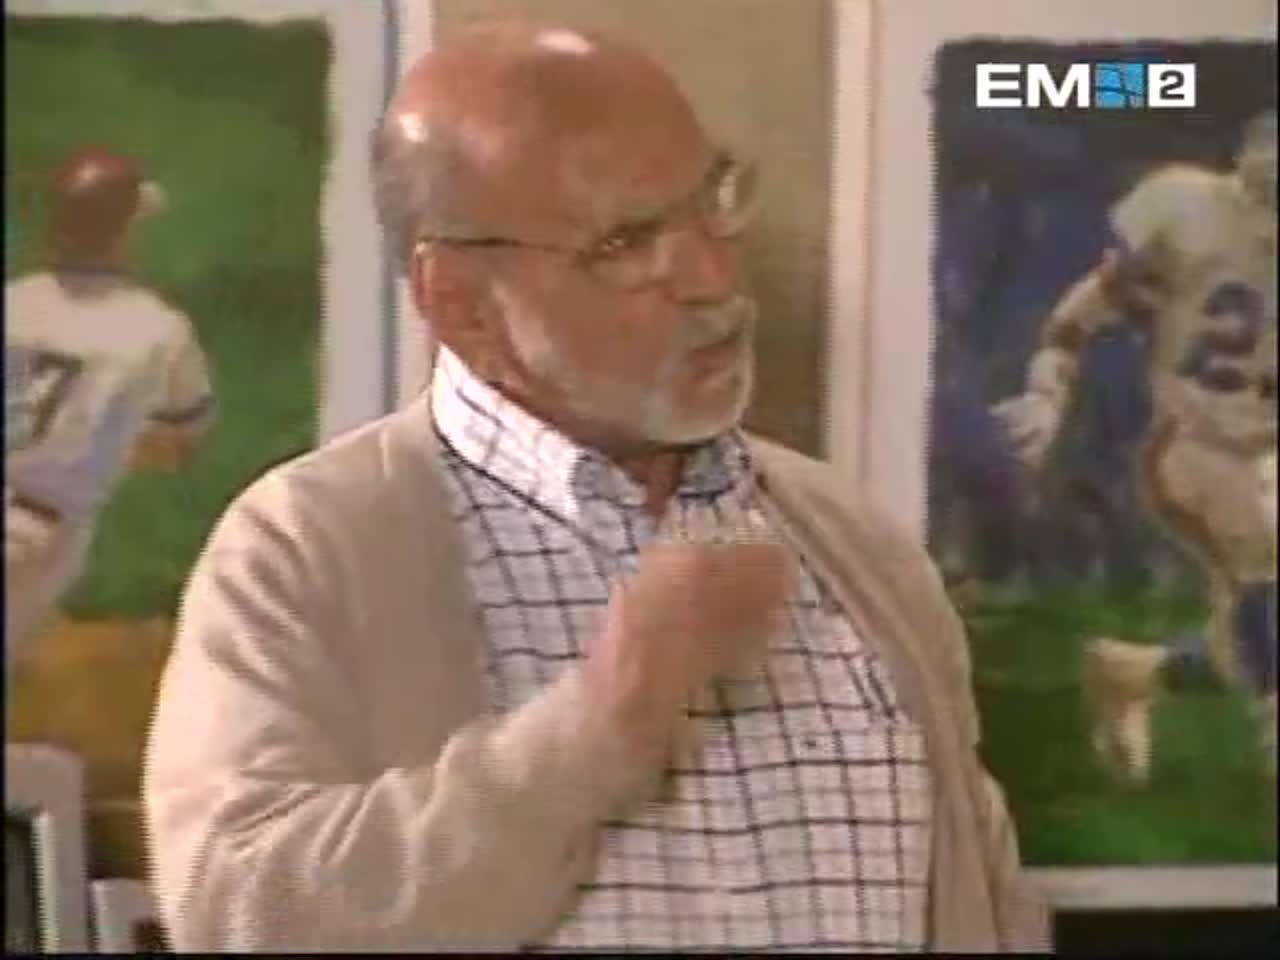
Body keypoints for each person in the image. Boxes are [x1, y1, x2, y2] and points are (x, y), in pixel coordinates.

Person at [143, 20, 1048, 952]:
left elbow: (989, 905)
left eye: (712, 199)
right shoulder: (305, 548)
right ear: (460, 302)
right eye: (625, 241)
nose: (713, 278)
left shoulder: (857, 544)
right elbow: (237, 912)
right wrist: (604, 724)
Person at [994, 110, 1277, 782]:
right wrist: (1048, 388)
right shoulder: (1190, 212)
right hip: (1202, 443)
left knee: (1249, 621)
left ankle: (1132, 671)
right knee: (1265, 573)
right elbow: (1094, 304)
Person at [4, 147, 216, 660]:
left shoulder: (14, 301)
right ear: (125, 233)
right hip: (37, 533)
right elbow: (176, 445)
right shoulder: (157, 330)